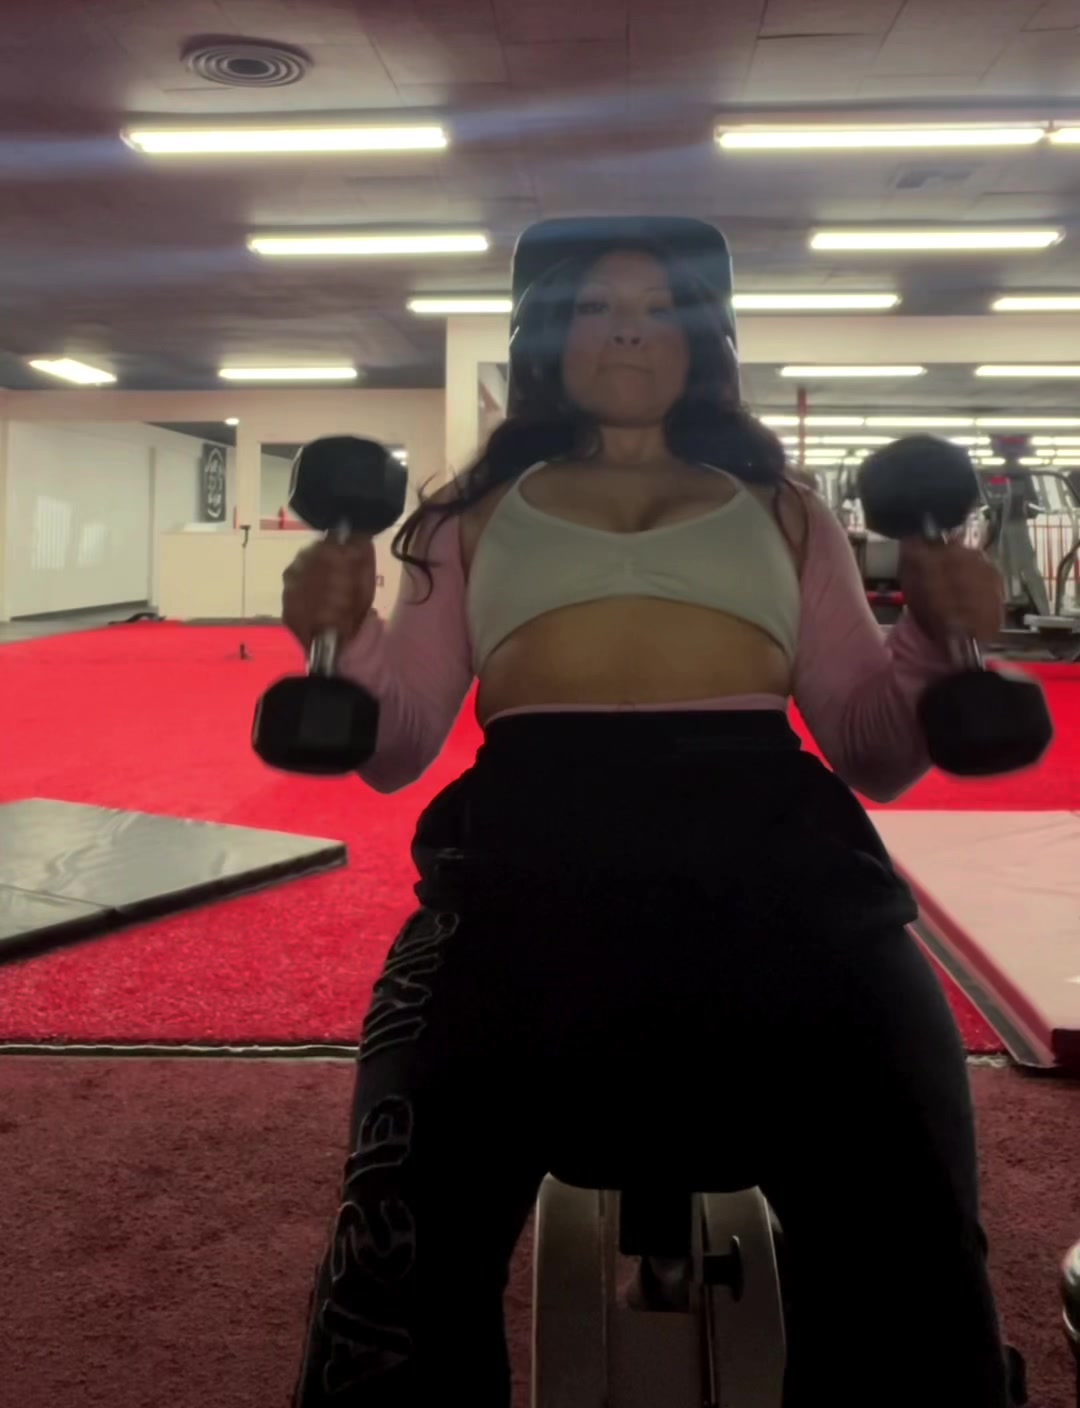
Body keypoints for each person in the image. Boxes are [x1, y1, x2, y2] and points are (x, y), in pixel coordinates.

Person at [284, 241, 1013, 1407]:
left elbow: (875, 751)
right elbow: (399, 743)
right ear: (547, 341)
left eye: (658, 307)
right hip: (521, 874)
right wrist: (343, 637)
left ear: (704, 341)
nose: (627, 328)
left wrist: (933, 632)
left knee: (917, 1246)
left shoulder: (785, 512)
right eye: (596, 307)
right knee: (395, 1250)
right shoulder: (467, 516)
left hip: (783, 871)